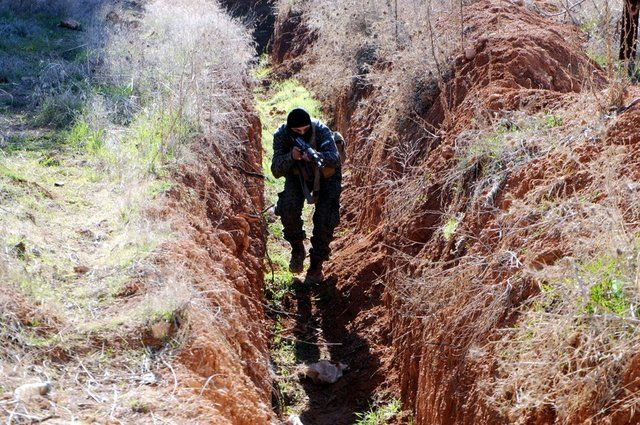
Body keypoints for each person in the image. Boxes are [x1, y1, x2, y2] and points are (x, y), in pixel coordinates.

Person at [271, 108, 341, 284]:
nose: (302, 133)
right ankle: (297, 249)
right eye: (297, 131)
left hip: (327, 176)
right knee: (287, 206)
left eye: (305, 129)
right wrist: (292, 157)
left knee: (326, 218)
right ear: (290, 129)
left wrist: (316, 156)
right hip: (297, 175)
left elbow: (335, 158)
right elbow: (276, 170)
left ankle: (316, 266)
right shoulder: (281, 135)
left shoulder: (322, 131)